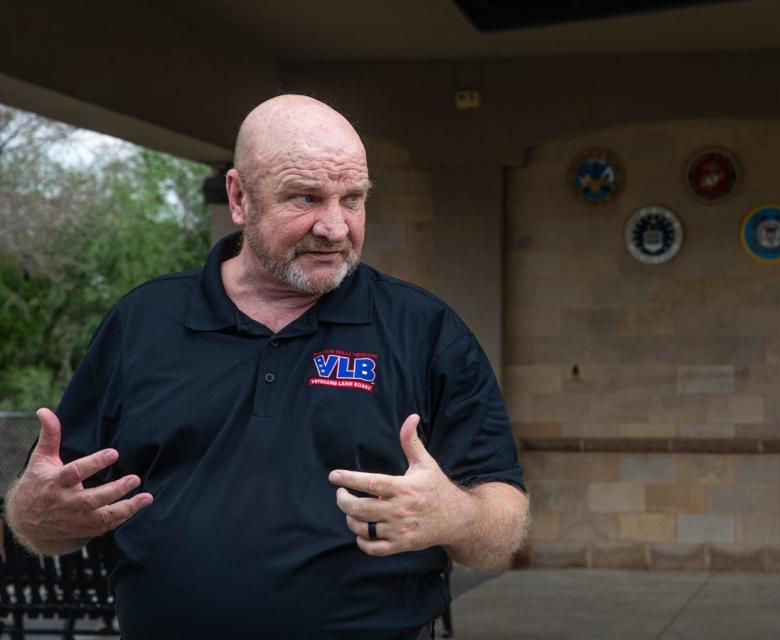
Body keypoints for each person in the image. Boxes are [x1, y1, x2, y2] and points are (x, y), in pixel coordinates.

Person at [3, 95, 529, 640]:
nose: (335, 226)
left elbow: (503, 521)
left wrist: (457, 516)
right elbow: (46, 514)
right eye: (306, 197)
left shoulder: (425, 330)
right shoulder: (145, 321)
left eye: (353, 199)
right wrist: (35, 514)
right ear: (239, 198)